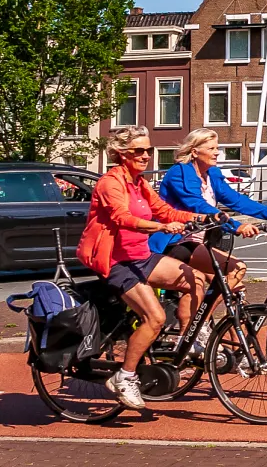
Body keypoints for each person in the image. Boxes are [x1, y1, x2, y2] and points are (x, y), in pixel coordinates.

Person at [76, 126, 205, 410]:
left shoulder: (139, 182)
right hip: (116, 262)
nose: (146, 155)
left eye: (149, 150)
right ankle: (125, 376)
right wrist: (160, 226)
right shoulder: (111, 183)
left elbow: (164, 210)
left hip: (142, 257)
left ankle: (189, 340)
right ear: (122, 154)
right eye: (139, 151)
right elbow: (122, 218)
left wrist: (201, 217)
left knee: (194, 280)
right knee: (155, 318)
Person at [153, 129, 267, 296]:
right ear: (194, 152)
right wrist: (236, 226)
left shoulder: (211, 174)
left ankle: (221, 320)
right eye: (211, 149)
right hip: (175, 241)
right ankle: (202, 320)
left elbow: (237, 201)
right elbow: (198, 205)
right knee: (235, 269)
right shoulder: (180, 173)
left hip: (200, 242)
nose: (217, 153)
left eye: (217, 148)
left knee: (237, 291)